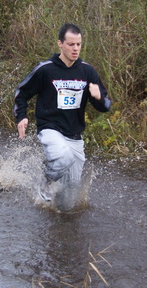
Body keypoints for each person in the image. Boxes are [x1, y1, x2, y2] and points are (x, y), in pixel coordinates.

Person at [14, 23, 112, 203]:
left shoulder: (87, 71)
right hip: (50, 128)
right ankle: (46, 183)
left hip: (74, 134)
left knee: (69, 198)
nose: (75, 49)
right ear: (60, 43)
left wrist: (98, 97)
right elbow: (22, 93)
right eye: (71, 44)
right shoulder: (46, 69)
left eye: (78, 44)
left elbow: (105, 106)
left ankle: (54, 214)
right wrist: (22, 117)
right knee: (63, 157)